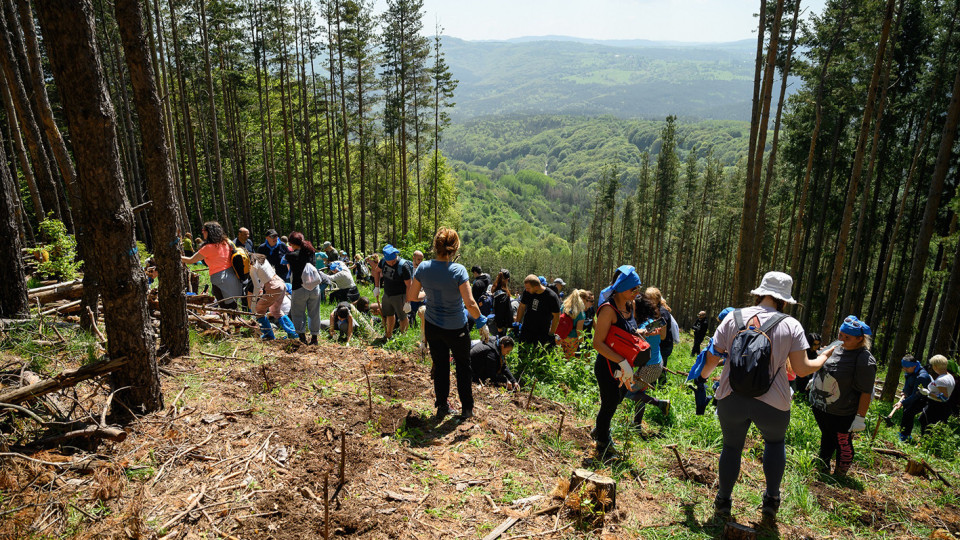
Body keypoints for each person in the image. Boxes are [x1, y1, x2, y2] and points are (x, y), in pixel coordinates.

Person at [701, 271, 826, 524]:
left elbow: (712, 358)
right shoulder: (791, 325)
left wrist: (703, 377)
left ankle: (723, 500)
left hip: (731, 396)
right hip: (774, 401)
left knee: (731, 447)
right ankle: (771, 500)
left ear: (759, 293)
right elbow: (801, 369)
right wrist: (823, 358)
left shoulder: (733, 317)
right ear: (784, 300)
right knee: (774, 443)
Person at [408, 228, 486, 419]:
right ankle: (467, 408)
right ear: (454, 249)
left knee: (441, 365)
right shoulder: (458, 270)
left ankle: (442, 405)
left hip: (433, 326)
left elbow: (412, 296)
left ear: (436, 246)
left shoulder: (424, 267)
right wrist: (481, 321)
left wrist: (430, 293)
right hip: (456, 328)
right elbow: (469, 303)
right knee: (462, 366)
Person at [809, 316, 877, 476]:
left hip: (842, 412)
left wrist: (860, 417)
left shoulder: (864, 359)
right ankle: (823, 465)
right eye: (840, 335)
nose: (841, 339)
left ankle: (840, 474)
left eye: (847, 337)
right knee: (826, 436)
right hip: (821, 407)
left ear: (860, 339)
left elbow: (866, 391)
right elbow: (824, 364)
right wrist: (815, 380)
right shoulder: (836, 347)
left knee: (842, 441)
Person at [590, 265, 644, 455]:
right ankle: (603, 443)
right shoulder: (608, 310)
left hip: (625, 365)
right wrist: (621, 362)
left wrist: (640, 333)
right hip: (608, 364)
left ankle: (600, 429)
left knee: (617, 399)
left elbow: (625, 333)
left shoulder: (630, 306)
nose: (637, 293)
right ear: (621, 288)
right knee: (609, 402)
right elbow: (598, 343)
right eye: (633, 289)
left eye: (638, 288)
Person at [625, 293, 670, 428]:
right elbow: (662, 337)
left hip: (649, 367)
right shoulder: (651, 322)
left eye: (633, 307)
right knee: (640, 394)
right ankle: (637, 424)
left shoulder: (645, 325)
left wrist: (638, 331)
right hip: (655, 364)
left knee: (626, 392)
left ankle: (660, 403)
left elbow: (635, 335)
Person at [182, 221, 242, 310]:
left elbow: (191, 260)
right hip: (233, 277)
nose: (202, 232)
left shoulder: (208, 248)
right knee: (233, 308)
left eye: (204, 230)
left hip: (220, 280)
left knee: (226, 309)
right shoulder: (226, 243)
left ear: (209, 232)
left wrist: (175, 256)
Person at [900, 354, 956, 440]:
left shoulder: (942, 380)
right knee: (924, 421)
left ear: (936, 366)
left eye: (933, 365)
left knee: (927, 425)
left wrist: (928, 393)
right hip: (937, 405)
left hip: (936, 406)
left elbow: (944, 398)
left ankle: (924, 443)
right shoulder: (948, 376)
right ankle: (924, 442)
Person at [248, 253, 298, 340]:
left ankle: (268, 335)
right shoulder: (263, 260)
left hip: (273, 287)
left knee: (259, 310)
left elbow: (256, 286)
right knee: (275, 310)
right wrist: (261, 287)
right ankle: (293, 333)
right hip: (281, 284)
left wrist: (253, 304)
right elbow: (266, 275)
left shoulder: (253, 268)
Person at [285, 232, 321, 344]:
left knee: (298, 313)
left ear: (291, 243)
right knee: (314, 312)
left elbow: (289, 268)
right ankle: (314, 338)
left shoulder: (291, 256)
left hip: (298, 288)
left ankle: (302, 338)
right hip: (314, 288)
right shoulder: (311, 252)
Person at [373, 244, 413, 341]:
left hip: (400, 296)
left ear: (396, 256)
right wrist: (377, 287)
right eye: (389, 262)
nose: (391, 264)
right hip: (387, 294)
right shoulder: (383, 261)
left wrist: (408, 302)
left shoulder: (403, 266)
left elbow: (409, 285)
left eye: (393, 261)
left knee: (403, 317)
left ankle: (403, 338)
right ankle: (388, 335)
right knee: (389, 314)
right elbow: (376, 271)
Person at [515, 274, 562, 347]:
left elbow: (556, 316)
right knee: (522, 352)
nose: (526, 290)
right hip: (527, 328)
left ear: (536, 286)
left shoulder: (551, 297)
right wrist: (517, 323)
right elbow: (522, 306)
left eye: (528, 288)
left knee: (539, 354)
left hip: (542, 331)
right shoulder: (527, 292)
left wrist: (551, 333)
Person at [889, 355, 932, 434]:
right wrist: (904, 391)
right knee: (906, 413)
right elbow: (908, 382)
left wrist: (901, 403)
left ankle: (904, 436)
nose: (905, 369)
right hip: (911, 396)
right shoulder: (911, 371)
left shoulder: (922, 377)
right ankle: (904, 433)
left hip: (921, 399)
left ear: (914, 366)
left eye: (907, 368)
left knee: (908, 412)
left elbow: (916, 395)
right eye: (903, 367)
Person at [645, 287, 678, 369]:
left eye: (650, 299)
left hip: (664, 346)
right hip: (657, 345)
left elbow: (661, 333)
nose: (647, 301)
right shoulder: (652, 310)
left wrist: (644, 330)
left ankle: (662, 382)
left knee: (661, 369)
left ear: (656, 299)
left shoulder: (662, 312)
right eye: (646, 298)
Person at [559, 289, 593, 359]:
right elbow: (579, 331)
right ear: (582, 299)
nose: (586, 302)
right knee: (570, 359)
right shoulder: (580, 313)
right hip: (572, 339)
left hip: (561, 336)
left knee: (561, 357)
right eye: (586, 300)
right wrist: (582, 343)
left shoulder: (564, 306)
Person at [490, 269, 514, 337]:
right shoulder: (502, 294)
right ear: (507, 279)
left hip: (494, 322)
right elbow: (500, 312)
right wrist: (500, 328)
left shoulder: (495, 289)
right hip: (500, 326)